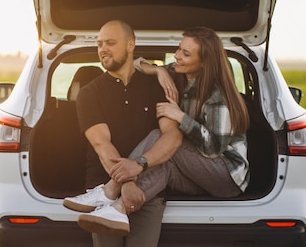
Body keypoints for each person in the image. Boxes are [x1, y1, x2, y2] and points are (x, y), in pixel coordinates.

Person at [68, 20, 184, 247]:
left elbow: (172, 137)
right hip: (104, 195)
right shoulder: (90, 92)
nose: (103, 49)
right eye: (99, 44)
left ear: (131, 45)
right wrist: (126, 183)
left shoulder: (158, 84)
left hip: (148, 192)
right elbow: (102, 146)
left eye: (111, 43)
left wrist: (141, 174)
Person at [65, 26, 250, 235]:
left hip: (225, 176)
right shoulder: (179, 72)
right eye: (179, 49)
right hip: (197, 171)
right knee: (164, 164)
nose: (177, 56)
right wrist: (159, 70)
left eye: (186, 54)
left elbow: (214, 148)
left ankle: (109, 190)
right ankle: (117, 210)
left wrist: (180, 117)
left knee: (160, 137)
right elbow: (134, 63)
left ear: (204, 62)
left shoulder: (217, 97)